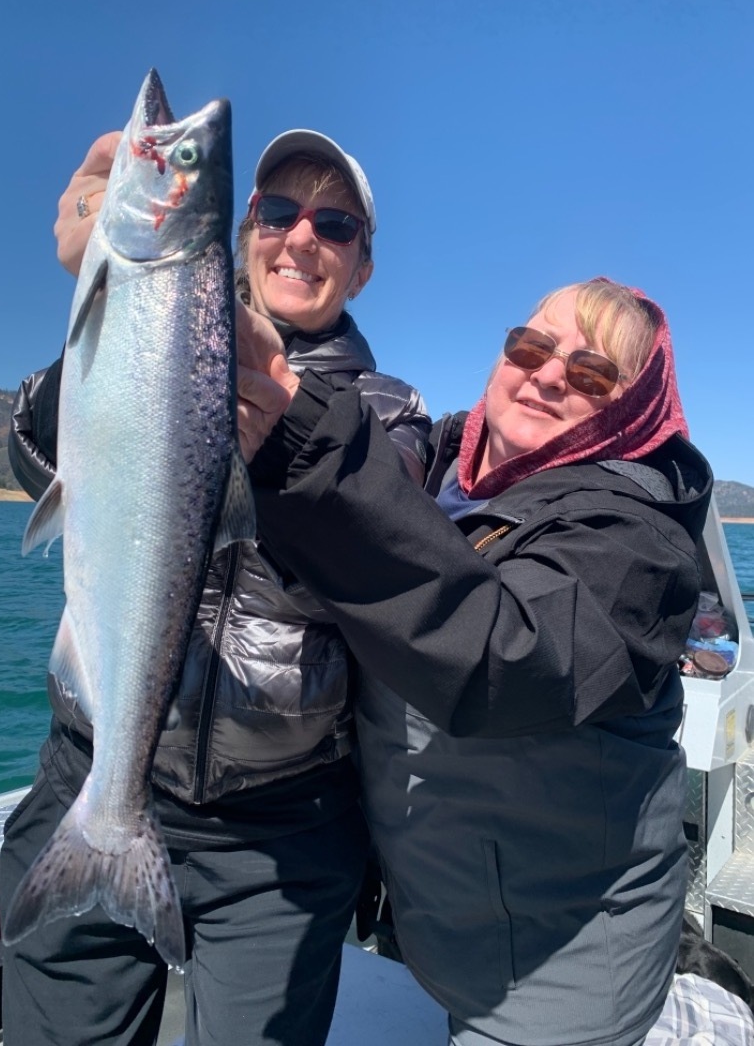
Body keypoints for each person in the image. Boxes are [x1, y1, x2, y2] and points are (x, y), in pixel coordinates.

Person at [2, 127, 429, 1046]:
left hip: (279, 833)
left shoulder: (393, 413)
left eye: (335, 224)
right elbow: (34, 449)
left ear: (362, 266)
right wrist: (103, 302)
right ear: (243, 231)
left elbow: (376, 542)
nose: (301, 236)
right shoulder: (167, 327)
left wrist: (283, 433)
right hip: (92, 775)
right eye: (277, 211)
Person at [239, 277, 714, 1046]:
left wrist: (305, 437)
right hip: (445, 929)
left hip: (563, 975)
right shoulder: (440, 472)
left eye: (593, 375)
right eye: (530, 347)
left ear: (631, 413)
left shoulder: (637, 546)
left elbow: (499, 658)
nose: (549, 373)